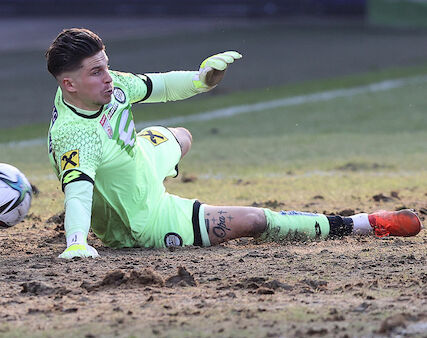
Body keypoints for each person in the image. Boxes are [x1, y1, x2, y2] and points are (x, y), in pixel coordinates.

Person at [44, 28, 422, 259]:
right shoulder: (73, 136)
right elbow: (77, 194)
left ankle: (156, 166)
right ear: (70, 85)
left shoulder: (111, 86)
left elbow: (159, 86)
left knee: (181, 137)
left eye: (107, 65)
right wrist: (77, 243)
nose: (109, 77)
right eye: (97, 72)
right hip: (145, 218)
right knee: (254, 219)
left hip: (139, 159)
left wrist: (202, 79)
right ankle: (362, 223)